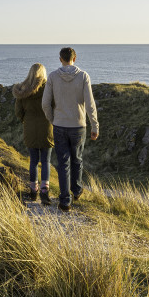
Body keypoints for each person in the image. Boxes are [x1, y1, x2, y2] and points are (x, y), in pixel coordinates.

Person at [42, 47, 99, 212]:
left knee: (63, 163)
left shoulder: (52, 76)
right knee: (77, 159)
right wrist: (94, 125)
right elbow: (90, 104)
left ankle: (65, 201)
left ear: (60, 59)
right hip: (79, 125)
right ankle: (77, 190)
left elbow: (45, 104)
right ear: (75, 58)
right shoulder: (83, 76)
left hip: (60, 125)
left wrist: (53, 119)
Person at [13, 63, 54, 204]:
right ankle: (44, 191)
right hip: (47, 128)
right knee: (46, 161)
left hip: (29, 128)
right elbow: (54, 106)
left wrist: (26, 119)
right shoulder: (48, 88)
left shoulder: (22, 90)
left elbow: (18, 112)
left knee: (33, 161)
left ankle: (33, 191)